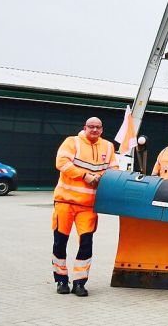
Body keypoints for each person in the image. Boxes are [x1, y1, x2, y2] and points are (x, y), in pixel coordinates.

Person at [52, 117, 118, 296]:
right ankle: (61, 280)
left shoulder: (109, 146)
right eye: (91, 127)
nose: (94, 130)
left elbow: (114, 169)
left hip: (88, 206)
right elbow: (62, 163)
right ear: (85, 128)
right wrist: (85, 176)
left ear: (102, 129)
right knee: (60, 243)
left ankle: (80, 283)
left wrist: (100, 178)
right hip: (65, 202)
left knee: (86, 244)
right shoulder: (71, 142)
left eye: (98, 127)